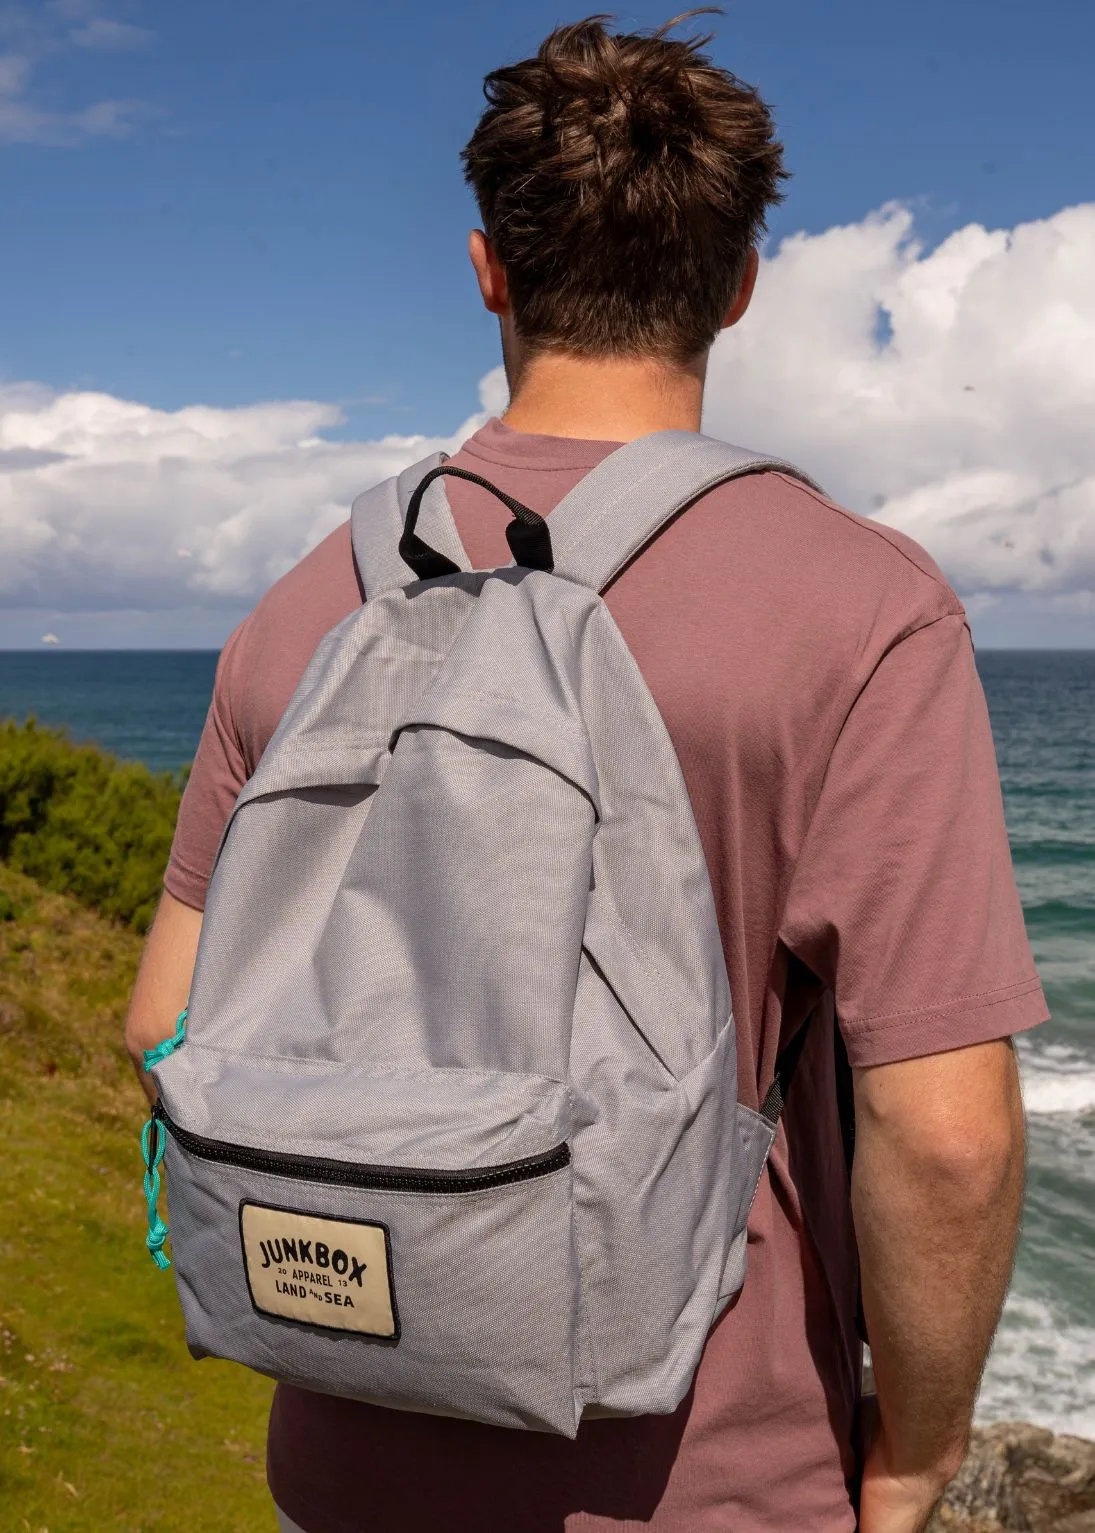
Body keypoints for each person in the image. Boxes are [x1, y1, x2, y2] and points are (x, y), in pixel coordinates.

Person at [125, 12, 1046, 1532]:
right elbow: (946, 1136)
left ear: (488, 269)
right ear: (739, 285)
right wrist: (912, 1457)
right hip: (703, 1483)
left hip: (341, 1468)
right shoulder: (859, 607)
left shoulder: (299, 608)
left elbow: (169, 1022)